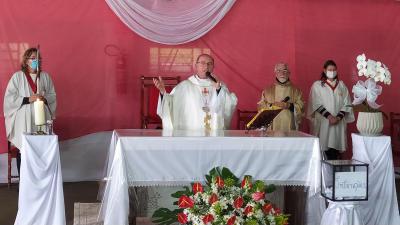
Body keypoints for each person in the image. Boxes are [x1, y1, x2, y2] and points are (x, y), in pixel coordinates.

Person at [4, 47, 56, 173]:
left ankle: (39, 178)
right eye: (33, 58)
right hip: (24, 119)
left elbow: (52, 95)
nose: (36, 61)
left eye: (38, 59)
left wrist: (44, 98)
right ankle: (24, 181)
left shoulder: (45, 77)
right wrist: (28, 99)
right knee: (24, 148)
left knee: (40, 148)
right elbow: (9, 98)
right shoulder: (18, 77)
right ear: (26, 60)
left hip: (42, 117)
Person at [153, 54, 237, 130]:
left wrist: (219, 90)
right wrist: (162, 92)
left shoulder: (220, 85)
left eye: (209, 64)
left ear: (213, 67)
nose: (206, 66)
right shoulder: (185, 86)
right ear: (196, 66)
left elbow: (229, 104)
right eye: (203, 63)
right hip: (191, 133)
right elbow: (170, 104)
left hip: (213, 134)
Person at [307, 60, 354, 160]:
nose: (332, 72)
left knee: (336, 149)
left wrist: (338, 117)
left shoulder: (341, 85)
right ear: (324, 70)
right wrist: (329, 116)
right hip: (324, 122)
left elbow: (347, 103)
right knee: (323, 148)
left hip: (338, 123)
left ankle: (335, 171)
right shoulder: (318, 85)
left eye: (334, 70)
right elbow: (315, 103)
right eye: (329, 69)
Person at [257, 63, 304, 131]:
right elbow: (261, 107)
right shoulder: (267, 91)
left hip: (290, 127)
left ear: (289, 73)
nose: (282, 73)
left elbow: (301, 107)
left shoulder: (296, 91)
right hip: (272, 127)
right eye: (279, 70)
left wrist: (288, 105)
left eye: (285, 70)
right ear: (275, 73)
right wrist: (272, 105)